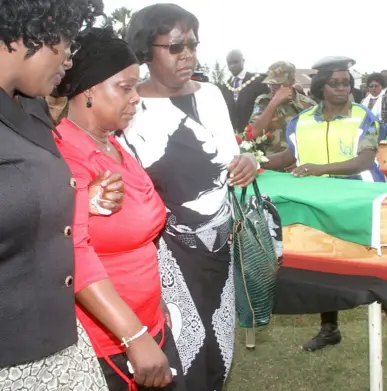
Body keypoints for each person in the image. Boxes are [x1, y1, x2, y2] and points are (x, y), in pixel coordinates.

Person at [121, 4, 258, 390]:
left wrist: (246, 161)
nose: (188, 56)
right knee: (178, 349)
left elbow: (230, 157)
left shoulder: (212, 94)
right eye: (175, 47)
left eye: (193, 45)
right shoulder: (132, 106)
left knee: (217, 346)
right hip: (167, 253)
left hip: (219, 246)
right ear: (147, 49)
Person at [53, 27, 187, 391]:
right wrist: (134, 336)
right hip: (107, 345)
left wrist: (153, 312)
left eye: (136, 87)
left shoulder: (115, 147)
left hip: (147, 328)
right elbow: (73, 253)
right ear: (88, 91)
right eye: (125, 87)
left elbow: (141, 240)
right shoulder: (64, 158)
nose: (136, 99)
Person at [0, 0, 117, 389]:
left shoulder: (29, 106)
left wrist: (78, 198)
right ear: (36, 29)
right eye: (66, 42)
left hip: (60, 345)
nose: (68, 60)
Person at [264, 56, 387, 354]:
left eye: (346, 83)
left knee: (379, 267)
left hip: (361, 202)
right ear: (321, 87)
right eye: (335, 83)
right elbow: (289, 158)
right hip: (319, 205)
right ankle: (329, 329)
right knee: (324, 264)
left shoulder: (365, 118)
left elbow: (364, 160)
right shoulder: (301, 122)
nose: (342, 88)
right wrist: (255, 163)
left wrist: (317, 168)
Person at [248, 61, 316, 154]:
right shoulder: (264, 102)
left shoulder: (309, 105)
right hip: (271, 162)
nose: (273, 87)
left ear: (292, 81)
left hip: (301, 161)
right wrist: (273, 103)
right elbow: (252, 133)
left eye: (278, 83)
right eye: (270, 83)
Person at [220, 49, 269, 132]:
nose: (232, 66)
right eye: (229, 63)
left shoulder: (257, 81)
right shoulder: (226, 86)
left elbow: (264, 109)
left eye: (235, 62)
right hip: (232, 134)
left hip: (254, 133)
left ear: (243, 61)